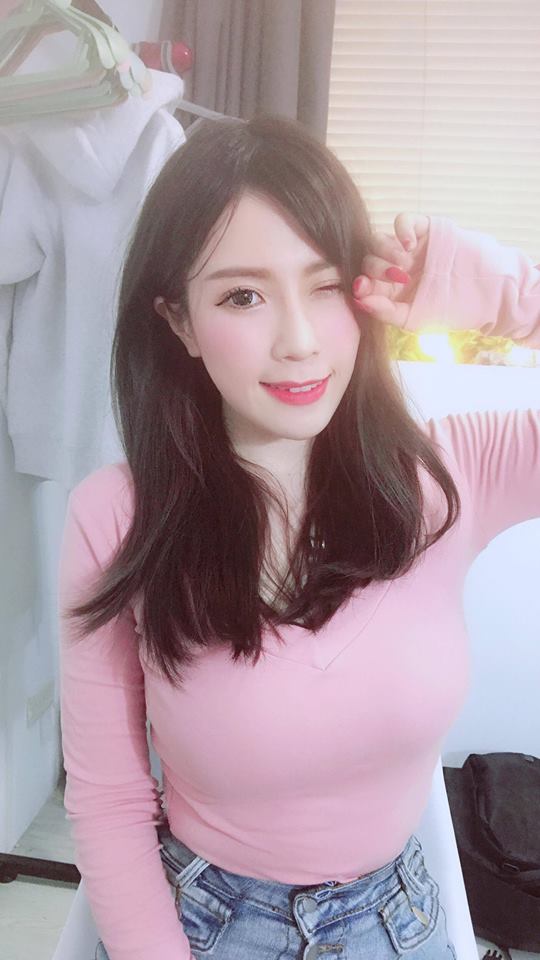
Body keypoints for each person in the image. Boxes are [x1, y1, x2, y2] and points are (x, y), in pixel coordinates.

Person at [58, 115, 539, 960]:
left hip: (399, 925)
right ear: (179, 322)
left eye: (325, 286)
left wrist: (505, 297)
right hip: (203, 929)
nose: (300, 341)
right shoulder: (117, 518)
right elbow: (109, 800)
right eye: (242, 296)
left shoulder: (449, 474)